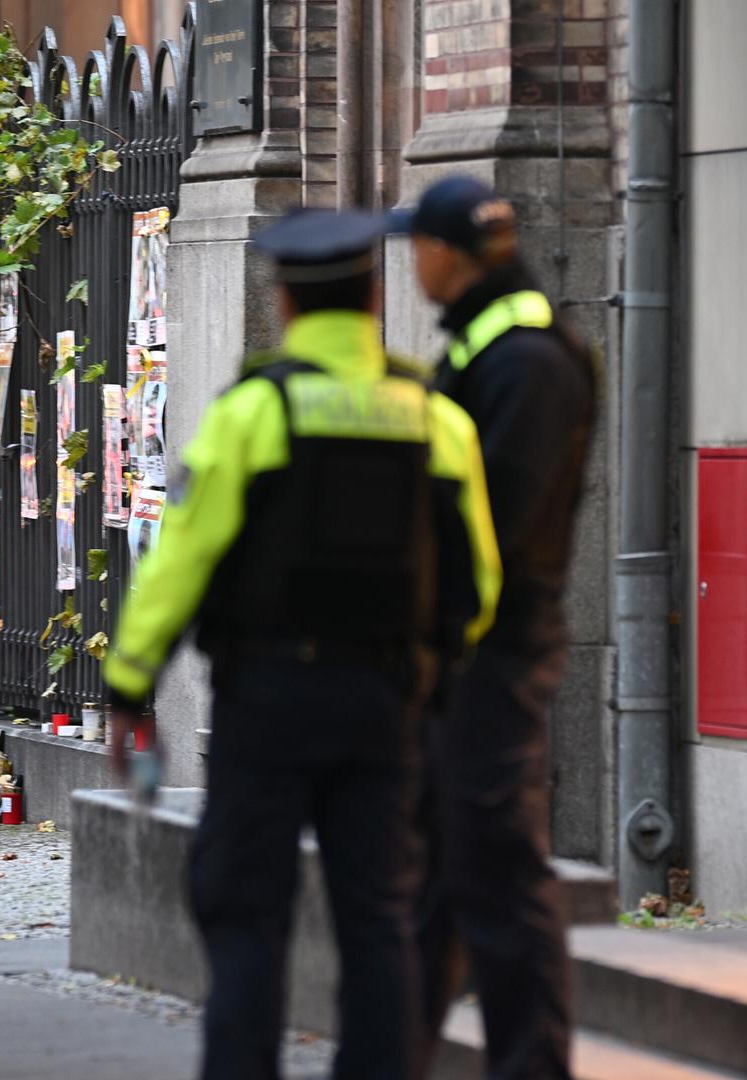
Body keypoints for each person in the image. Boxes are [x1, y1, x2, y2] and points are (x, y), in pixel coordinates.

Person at [103, 207, 501, 1080]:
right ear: (370, 295)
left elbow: (183, 558)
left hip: (269, 702)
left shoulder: (255, 413)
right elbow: (478, 586)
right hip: (385, 707)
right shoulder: (433, 416)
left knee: (248, 914)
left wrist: (130, 683)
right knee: (380, 920)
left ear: (285, 301)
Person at [389, 175, 596, 1080]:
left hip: (493, 656)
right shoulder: (494, 348)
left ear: (448, 255)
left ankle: (532, 1066)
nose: (412, 264)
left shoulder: (524, 361)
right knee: (433, 880)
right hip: (460, 657)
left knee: (500, 877)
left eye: (418, 247)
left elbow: (493, 527)